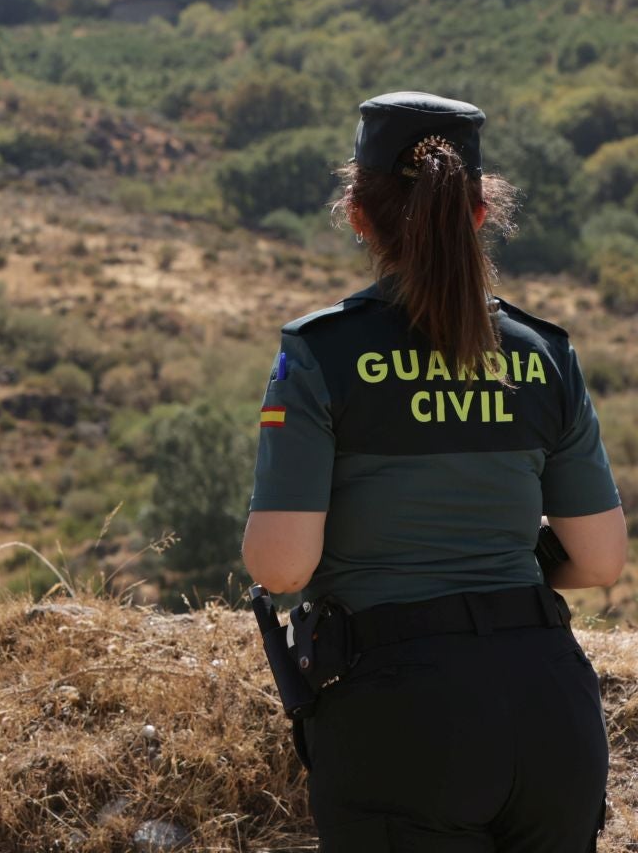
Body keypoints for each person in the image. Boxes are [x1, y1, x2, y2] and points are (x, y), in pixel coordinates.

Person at [244, 92, 626, 852]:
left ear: (358, 214)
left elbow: (283, 567)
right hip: (553, 712)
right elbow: (602, 560)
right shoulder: (545, 354)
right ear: (479, 214)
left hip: (401, 721)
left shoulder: (320, 353)